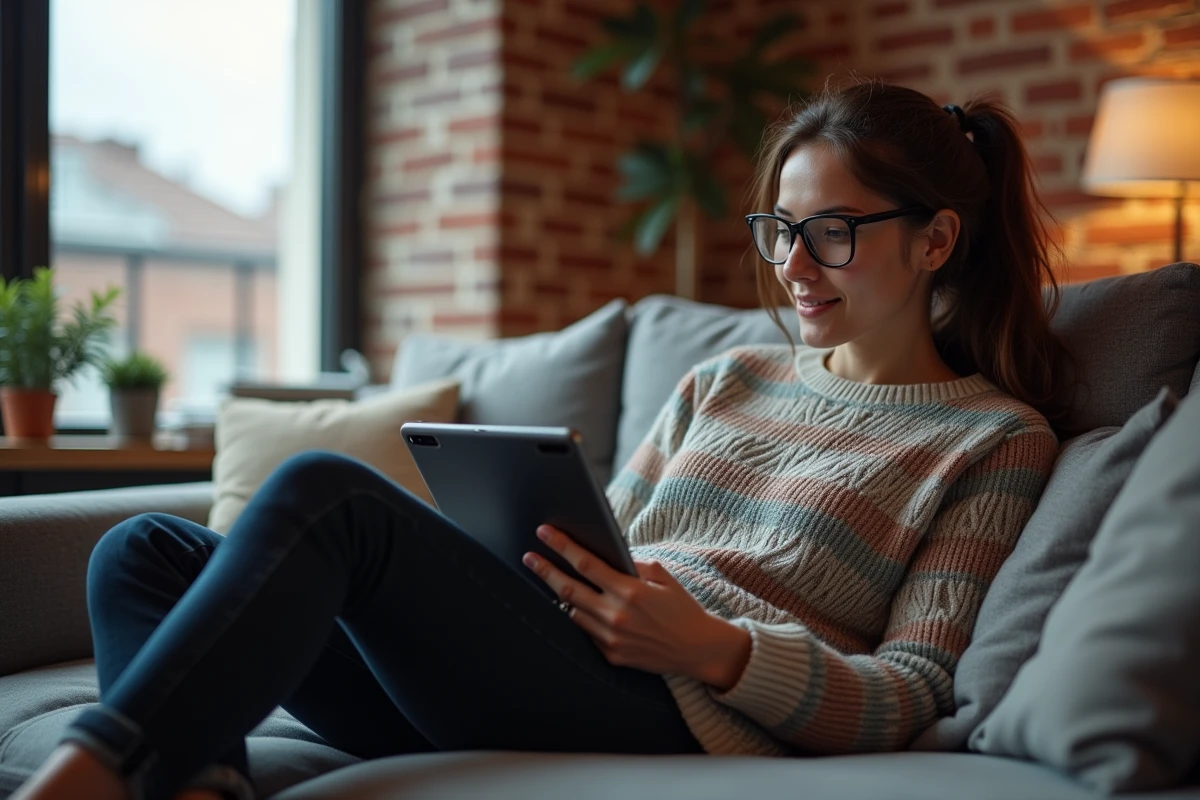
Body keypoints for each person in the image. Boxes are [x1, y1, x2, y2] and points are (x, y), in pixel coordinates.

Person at [14, 79, 1067, 800]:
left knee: (330, 495)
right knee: (141, 548)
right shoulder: (727, 375)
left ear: (936, 239)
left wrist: (715, 646)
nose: (794, 264)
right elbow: (620, 537)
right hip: (548, 662)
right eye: (780, 229)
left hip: (674, 701)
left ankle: (90, 772)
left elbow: (914, 691)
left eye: (833, 231)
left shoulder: (993, 437)